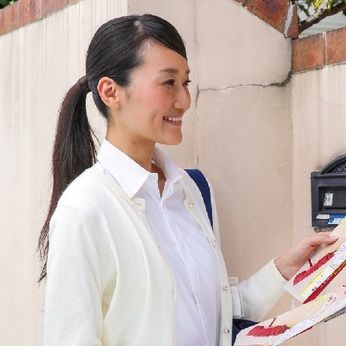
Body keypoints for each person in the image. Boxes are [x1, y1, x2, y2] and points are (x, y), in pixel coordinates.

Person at [38, 14, 338, 346]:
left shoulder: (189, 190)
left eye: (186, 82)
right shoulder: (84, 210)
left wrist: (284, 268)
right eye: (168, 83)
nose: (184, 100)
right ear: (111, 92)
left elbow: (211, 312)